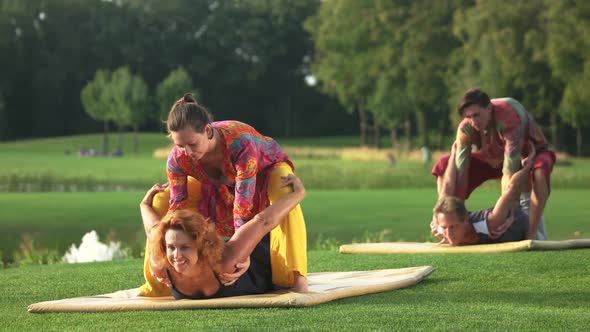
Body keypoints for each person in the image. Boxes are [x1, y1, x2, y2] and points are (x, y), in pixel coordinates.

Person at [138, 93, 307, 297]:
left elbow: (244, 210)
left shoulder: (240, 144)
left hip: (263, 171)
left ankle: (296, 279)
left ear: (208, 131)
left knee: (284, 191)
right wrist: (161, 251)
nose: (187, 152)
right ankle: (158, 285)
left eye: (192, 144)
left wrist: (244, 254)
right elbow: (177, 210)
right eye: (180, 145)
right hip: (214, 182)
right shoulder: (178, 158)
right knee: (160, 199)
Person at [141, 174, 306, 299]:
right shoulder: (161, 266)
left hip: (263, 256)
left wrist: (298, 194)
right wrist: (144, 205)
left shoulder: (226, 261)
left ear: (201, 245)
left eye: (184, 247)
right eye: (171, 247)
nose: (176, 256)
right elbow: (153, 229)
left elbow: (263, 221)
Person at [431, 88, 556, 240]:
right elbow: (460, 174)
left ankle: (532, 232)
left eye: (477, 115)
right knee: (444, 163)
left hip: (528, 155)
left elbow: (509, 172)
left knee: (539, 172)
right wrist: (445, 217)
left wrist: (508, 211)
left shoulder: (508, 119)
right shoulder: (466, 128)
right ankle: (450, 221)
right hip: (493, 158)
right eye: (469, 117)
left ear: (489, 108)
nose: (474, 121)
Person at [431, 143, 536, 246]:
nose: (448, 234)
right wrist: (454, 154)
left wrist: (528, 166)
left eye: (453, 227)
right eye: (444, 228)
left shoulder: (492, 222)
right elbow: (447, 190)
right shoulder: (441, 225)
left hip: (525, 218)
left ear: (465, 222)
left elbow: (511, 187)